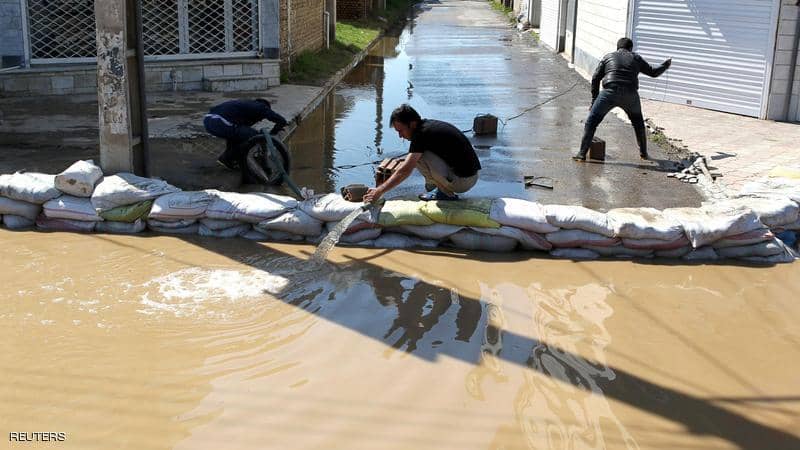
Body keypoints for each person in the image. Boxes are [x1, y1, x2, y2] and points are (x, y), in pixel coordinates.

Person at [573, 37, 671, 161]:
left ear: (617, 47)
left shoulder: (608, 57)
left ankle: (581, 154)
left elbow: (595, 78)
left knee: (591, 122)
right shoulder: (636, 58)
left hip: (609, 93)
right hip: (630, 95)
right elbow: (653, 72)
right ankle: (644, 153)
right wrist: (665, 65)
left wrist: (594, 100)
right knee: (638, 124)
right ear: (631, 48)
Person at [363, 104, 481, 203]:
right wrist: (406, 160)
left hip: (462, 182)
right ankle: (440, 189)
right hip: (470, 177)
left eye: (401, 131)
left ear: (412, 124)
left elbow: (405, 171)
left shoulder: (420, 135)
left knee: (418, 157)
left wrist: (379, 191)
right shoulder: (428, 127)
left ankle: (443, 193)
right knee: (415, 156)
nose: (400, 136)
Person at [203, 98, 288, 170]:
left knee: (238, 136)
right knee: (255, 136)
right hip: (219, 121)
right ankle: (229, 158)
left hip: (209, 120)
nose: (261, 120)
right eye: (262, 117)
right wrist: (272, 134)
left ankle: (229, 160)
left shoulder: (245, 106)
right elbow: (282, 121)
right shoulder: (261, 107)